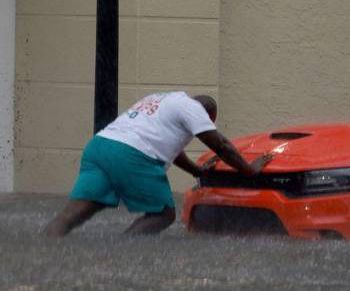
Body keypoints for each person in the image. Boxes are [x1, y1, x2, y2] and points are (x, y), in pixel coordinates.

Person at [43, 92, 271, 237]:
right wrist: (250, 169)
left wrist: (197, 171)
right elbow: (222, 145)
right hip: (131, 154)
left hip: (99, 147)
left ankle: (46, 247)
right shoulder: (195, 110)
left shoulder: (161, 99)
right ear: (210, 116)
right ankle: (119, 256)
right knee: (162, 214)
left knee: (76, 212)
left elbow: (175, 151)